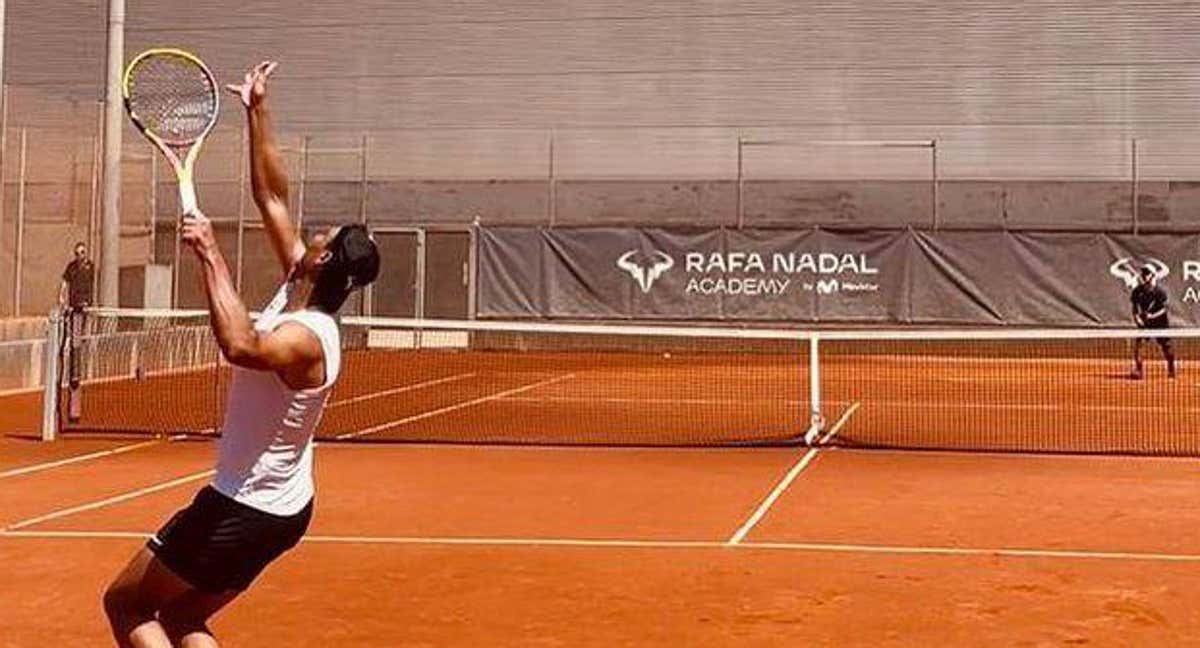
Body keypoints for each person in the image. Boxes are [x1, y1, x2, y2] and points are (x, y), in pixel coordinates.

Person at [102, 61, 380, 648]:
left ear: (323, 262)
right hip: (279, 510)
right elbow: (271, 194)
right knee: (180, 620)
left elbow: (241, 345)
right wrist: (257, 109)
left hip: (243, 509)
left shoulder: (306, 337)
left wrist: (209, 254)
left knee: (128, 604)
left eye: (323, 238)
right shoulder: (300, 288)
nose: (313, 234)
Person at [1130, 264, 1176, 379]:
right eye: (1143, 273)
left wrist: (1152, 316)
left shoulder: (1160, 292)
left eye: (1147, 273)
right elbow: (1135, 308)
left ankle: (1171, 368)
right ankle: (1139, 370)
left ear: (1153, 275)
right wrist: (1137, 318)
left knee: (1167, 347)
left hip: (1161, 323)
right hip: (1146, 323)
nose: (1144, 276)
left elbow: (1164, 309)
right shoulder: (1137, 292)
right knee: (1140, 346)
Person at [59, 241, 95, 311]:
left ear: (85, 253)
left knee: (86, 320)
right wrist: (61, 296)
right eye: (77, 253)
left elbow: (96, 283)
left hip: (87, 303)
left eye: (82, 252)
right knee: (74, 320)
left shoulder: (91, 267)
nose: (80, 255)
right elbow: (65, 281)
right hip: (74, 302)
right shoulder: (71, 267)